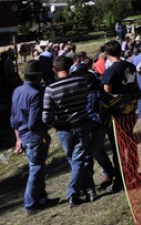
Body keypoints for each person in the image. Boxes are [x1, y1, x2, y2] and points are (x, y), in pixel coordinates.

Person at [43, 55, 96, 207]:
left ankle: (72, 193)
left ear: (54, 70)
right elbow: (86, 98)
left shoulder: (51, 89)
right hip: (83, 124)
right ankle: (90, 189)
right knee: (79, 159)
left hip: (64, 128)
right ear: (69, 66)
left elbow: (46, 116)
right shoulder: (80, 81)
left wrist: (56, 124)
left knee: (75, 160)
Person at [11, 60, 58, 216]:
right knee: (36, 170)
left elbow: (14, 118)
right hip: (34, 137)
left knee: (39, 168)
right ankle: (30, 204)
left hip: (24, 136)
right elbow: (33, 123)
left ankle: (42, 198)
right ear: (37, 76)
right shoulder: (36, 94)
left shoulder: (17, 91)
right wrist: (45, 136)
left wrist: (17, 139)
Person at [70, 58, 115, 192]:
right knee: (87, 153)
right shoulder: (77, 89)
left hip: (99, 123)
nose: (78, 78)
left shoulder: (99, 85)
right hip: (84, 124)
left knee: (95, 149)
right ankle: (88, 182)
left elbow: (108, 100)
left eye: (80, 75)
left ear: (87, 73)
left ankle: (108, 171)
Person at [101, 40, 140, 192]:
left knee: (118, 147)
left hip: (116, 115)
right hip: (130, 110)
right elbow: (132, 84)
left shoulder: (110, 71)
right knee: (130, 142)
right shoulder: (129, 66)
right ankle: (133, 170)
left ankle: (121, 178)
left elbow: (106, 92)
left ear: (107, 54)